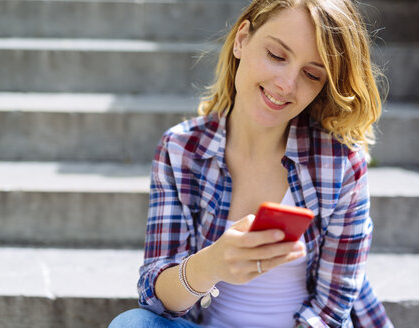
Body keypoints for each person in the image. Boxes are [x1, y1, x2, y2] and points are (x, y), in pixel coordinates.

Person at [110, 0, 393, 327]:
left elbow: (331, 311)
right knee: (133, 323)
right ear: (242, 39)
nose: (286, 85)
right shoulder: (181, 149)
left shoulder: (340, 163)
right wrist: (212, 264)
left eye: (312, 74)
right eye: (276, 55)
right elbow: (157, 303)